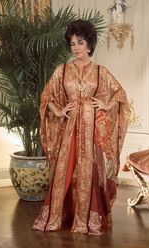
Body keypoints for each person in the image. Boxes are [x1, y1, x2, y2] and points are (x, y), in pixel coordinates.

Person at [32, 19, 130, 235]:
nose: (75, 47)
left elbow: (120, 94)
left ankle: (86, 219)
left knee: (89, 171)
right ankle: (58, 216)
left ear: (89, 44)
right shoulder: (62, 70)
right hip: (69, 127)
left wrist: (105, 104)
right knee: (65, 169)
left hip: (90, 127)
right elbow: (46, 95)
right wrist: (57, 111)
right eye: (72, 44)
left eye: (80, 42)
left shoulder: (100, 71)